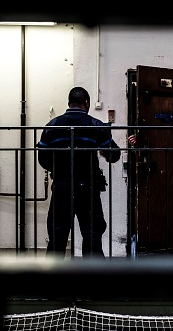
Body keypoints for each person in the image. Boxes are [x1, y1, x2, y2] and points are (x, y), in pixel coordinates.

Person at [37, 87, 120, 258]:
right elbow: (114, 155)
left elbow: (43, 159)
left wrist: (59, 168)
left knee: (57, 235)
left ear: (69, 103)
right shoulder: (95, 125)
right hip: (88, 187)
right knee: (92, 234)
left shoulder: (51, 126)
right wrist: (103, 151)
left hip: (61, 186)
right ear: (87, 103)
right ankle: (92, 276)